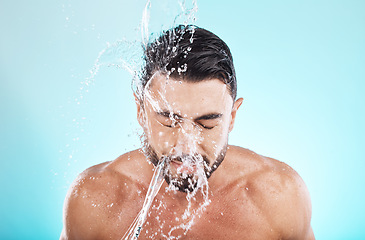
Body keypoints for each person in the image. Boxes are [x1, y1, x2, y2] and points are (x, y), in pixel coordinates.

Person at [60, 25, 314, 240]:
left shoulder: (280, 195)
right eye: (168, 122)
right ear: (141, 111)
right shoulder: (94, 199)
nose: (186, 146)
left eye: (207, 124)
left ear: (232, 117)